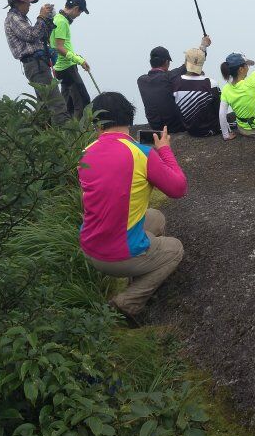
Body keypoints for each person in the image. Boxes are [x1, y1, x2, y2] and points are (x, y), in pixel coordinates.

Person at [78, 91, 187, 323]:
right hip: (117, 255)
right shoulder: (141, 154)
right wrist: (165, 150)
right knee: (175, 249)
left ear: (96, 123)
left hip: (89, 247)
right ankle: (127, 303)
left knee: (155, 217)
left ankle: (136, 271)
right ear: (129, 118)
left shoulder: (85, 153)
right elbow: (178, 188)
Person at [2, 0, 69, 125]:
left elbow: (41, 37)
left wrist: (48, 21)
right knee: (56, 102)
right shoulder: (13, 18)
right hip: (35, 64)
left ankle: (40, 138)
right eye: (28, 3)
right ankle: (68, 137)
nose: (29, 6)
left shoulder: (20, 18)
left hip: (38, 64)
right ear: (19, 3)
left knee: (44, 106)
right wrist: (41, 17)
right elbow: (31, 35)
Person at [137, 35, 211, 133]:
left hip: (155, 127)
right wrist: (203, 45)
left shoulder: (141, 81)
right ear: (167, 62)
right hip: (176, 127)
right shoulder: (169, 76)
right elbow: (193, 62)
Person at [50, 0, 91, 119]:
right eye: (80, 12)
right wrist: (79, 60)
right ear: (76, 8)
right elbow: (59, 47)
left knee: (68, 103)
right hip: (66, 67)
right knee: (83, 102)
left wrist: (75, 56)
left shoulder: (57, 18)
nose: (79, 15)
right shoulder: (62, 21)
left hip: (59, 68)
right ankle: (79, 134)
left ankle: (65, 131)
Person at [171, 46, 224, 137]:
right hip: (211, 130)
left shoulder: (176, 83)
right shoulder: (211, 83)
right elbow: (219, 109)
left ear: (185, 62)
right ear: (202, 63)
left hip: (189, 130)